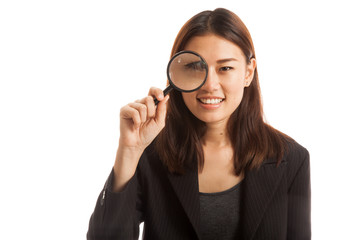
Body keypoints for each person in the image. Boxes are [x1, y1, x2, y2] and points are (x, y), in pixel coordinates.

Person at [87, 8, 311, 240]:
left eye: (225, 68)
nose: (210, 85)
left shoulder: (292, 159)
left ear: (248, 72)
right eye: (194, 67)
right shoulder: (150, 155)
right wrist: (129, 152)